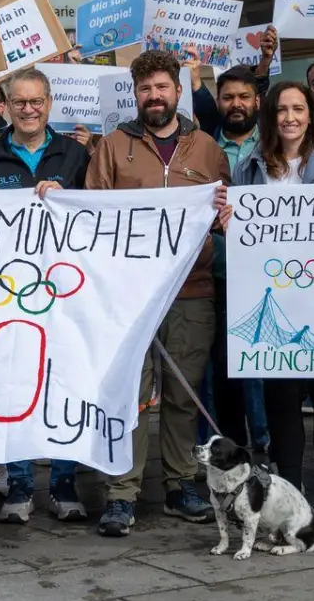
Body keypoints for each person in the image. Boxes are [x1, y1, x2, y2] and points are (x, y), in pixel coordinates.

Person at [86, 49, 229, 538]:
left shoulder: (207, 148)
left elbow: (224, 213)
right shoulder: (112, 147)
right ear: (135, 93)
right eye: (145, 89)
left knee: (183, 396)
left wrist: (225, 221)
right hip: (129, 296)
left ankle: (180, 485)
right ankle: (122, 493)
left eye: (162, 87)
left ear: (177, 91)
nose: (154, 96)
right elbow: (91, 216)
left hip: (191, 291)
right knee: (130, 394)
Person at [222, 81, 314, 536]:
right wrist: (226, 222)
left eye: (298, 109)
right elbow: (239, 236)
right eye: (282, 109)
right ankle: (289, 496)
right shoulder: (249, 166)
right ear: (270, 116)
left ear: (311, 116)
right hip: (274, 294)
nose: (290, 117)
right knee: (282, 401)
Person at [0, 69, 92, 524]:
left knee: (63, 385)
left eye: (37, 101)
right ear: (6, 107)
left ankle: (62, 483)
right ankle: (18, 483)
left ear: (50, 102)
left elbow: (97, 220)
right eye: (20, 103)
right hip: (7, 296)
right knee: (13, 388)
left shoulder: (76, 155)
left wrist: (69, 196)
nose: (29, 109)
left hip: (64, 294)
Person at [202, 66, 272, 460]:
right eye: (228, 97)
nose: (236, 104)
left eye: (244, 97)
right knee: (220, 372)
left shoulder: (277, 145)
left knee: (261, 369)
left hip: (269, 277)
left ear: (257, 101)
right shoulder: (203, 150)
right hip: (219, 273)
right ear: (218, 102)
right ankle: (226, 447)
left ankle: (264, 441)